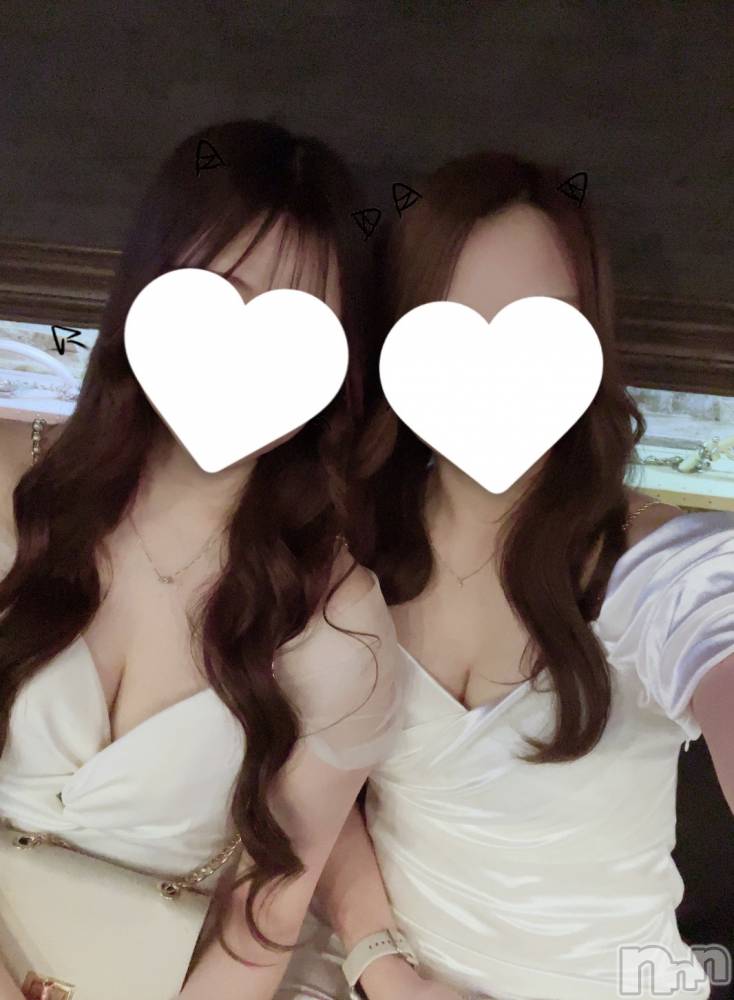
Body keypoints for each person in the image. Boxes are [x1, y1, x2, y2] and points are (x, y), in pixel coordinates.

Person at [276, 151, 734, 1000]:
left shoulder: (661, 567)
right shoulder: (349, 544)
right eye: (453, 327)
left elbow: (716, 635)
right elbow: (312, 788)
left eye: (538, 327)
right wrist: (385, 968)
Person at [0, 120, 406, 1000]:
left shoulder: (341, 626)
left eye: (295, 331)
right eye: (219, 297)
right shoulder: (9, 481)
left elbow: (259, 934)